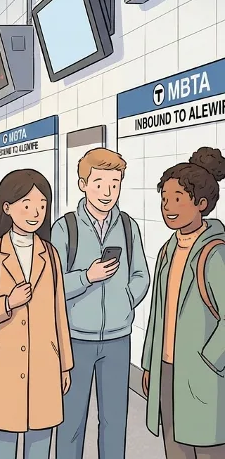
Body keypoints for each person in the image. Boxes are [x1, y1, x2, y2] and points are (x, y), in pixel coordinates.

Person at [0, 169, 72, 459]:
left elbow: (58, 311)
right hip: (2, 363)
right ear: (7, 208)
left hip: (44, 364)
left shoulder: (50, 254)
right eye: (26, 204)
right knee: (2, 442)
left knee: (40, 441)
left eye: (42, 204)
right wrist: (7, 303)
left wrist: (64, 364)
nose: (35, 212)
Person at [50, 148, 150, 459]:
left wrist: (124, 301)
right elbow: (51, 286)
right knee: (71, 421)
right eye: (99, 183)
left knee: (114, 421)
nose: (107, 192)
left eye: (115, 183)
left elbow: (141, 275)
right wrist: (86, 277)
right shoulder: (65, 228)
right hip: (76, 338)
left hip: (118, 340)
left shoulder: (129, 226)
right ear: (83, 184)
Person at [141, 147, 225, 459]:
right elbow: (157, 315)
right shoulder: (167, 251)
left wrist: (210, 359)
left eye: (177, 199)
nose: (168, 207)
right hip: (168, 370)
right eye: (164, 199)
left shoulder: (215, 253)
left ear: (201, 203)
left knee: (209, 448)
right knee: (175, 449)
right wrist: (150, 362)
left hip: (204, 374)